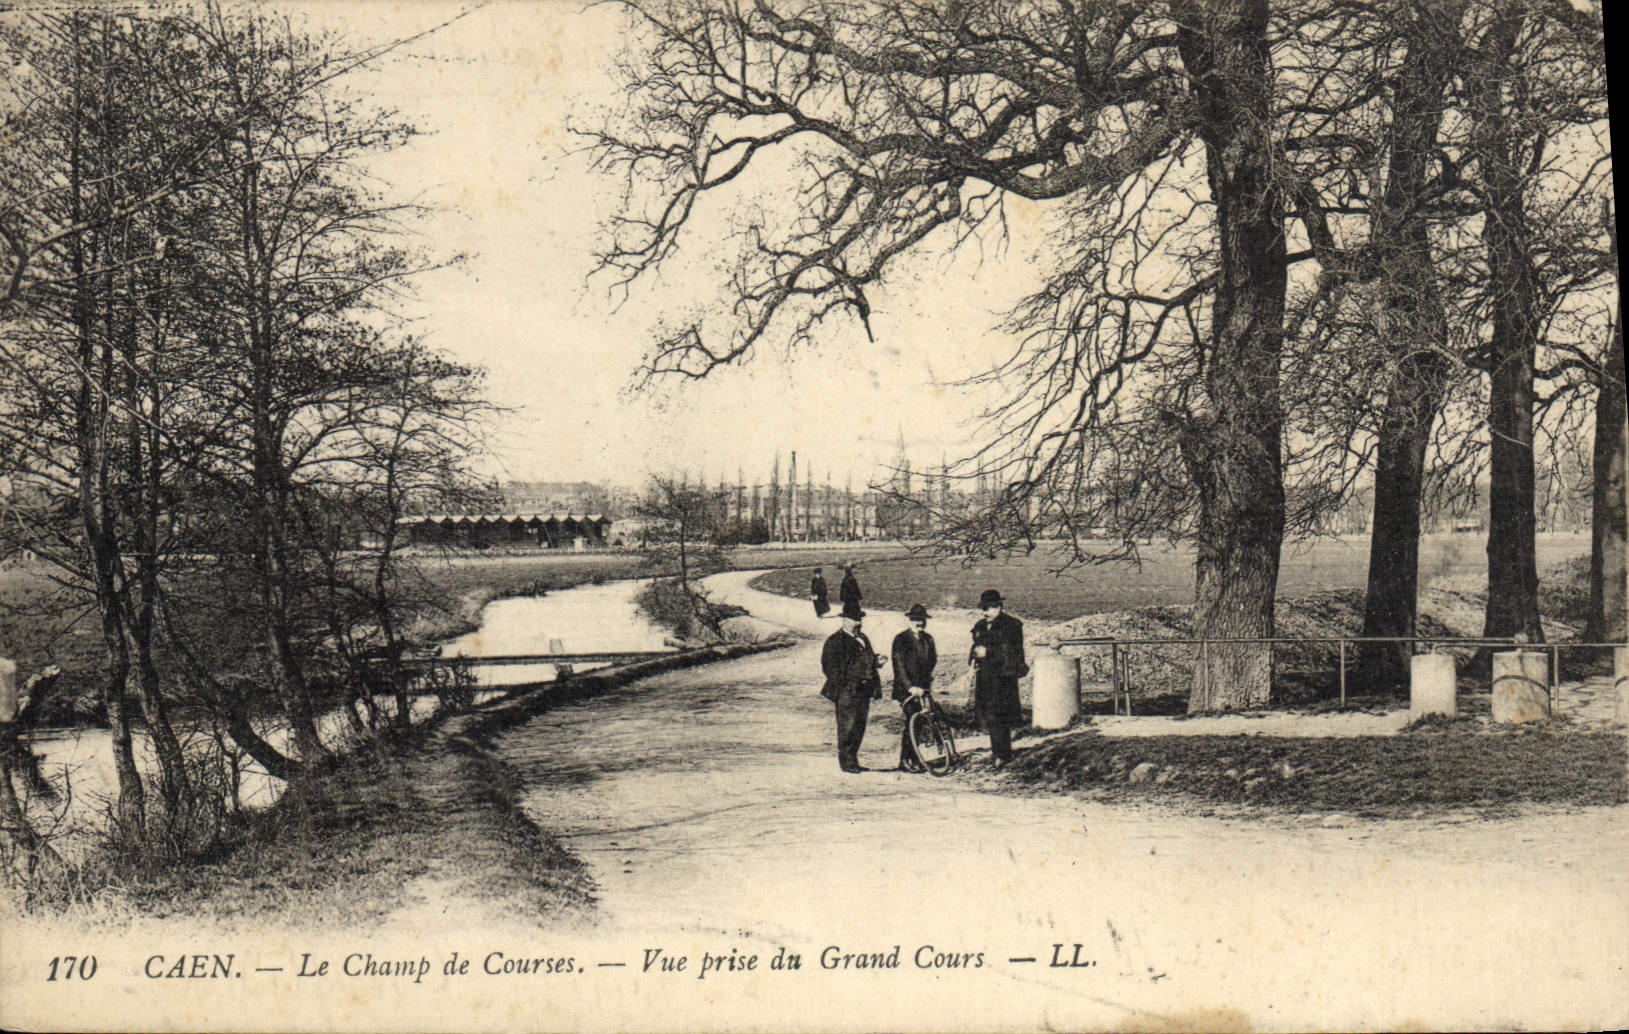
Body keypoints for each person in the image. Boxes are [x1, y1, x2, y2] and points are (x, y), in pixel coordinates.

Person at [820, 599, 883, 773]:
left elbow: (865, 658)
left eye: (860, 619)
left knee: (859, 726)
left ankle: (853, 759)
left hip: (864, 690)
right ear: (844, 620)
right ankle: (847, 763)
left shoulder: (863, 638)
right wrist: (844, 686)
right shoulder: (835, 641)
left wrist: (875, 660)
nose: (858, 623)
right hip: (848, 692)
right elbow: (829, 667)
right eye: (855, 619)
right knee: (847, 727)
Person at [969, 589, 1026, 768]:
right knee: (990, 716)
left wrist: (988, 653)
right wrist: (973, 657)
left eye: (990, 608)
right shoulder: (979, 626)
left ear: (999, 607)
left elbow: (1013, 653)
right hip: (985, 677)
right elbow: (975, 647)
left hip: (1003, 677)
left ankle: (1002, 754)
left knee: (1001, 716)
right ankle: (998, 753)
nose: (986, 612)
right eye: (984, 608)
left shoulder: (1012, 626)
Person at [890, 603, 937, 773]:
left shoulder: (928, 639)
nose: (919, 623)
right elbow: (899, 666)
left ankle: (915, 758)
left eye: (922, 620)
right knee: (912, 718)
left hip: (923, 689)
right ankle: (905, 759)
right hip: (906, 690)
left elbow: (932, 661)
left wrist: (925, 684)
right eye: (916, 620)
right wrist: (910, 687)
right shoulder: (901, 639)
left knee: (921, 722)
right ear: (910, 620)